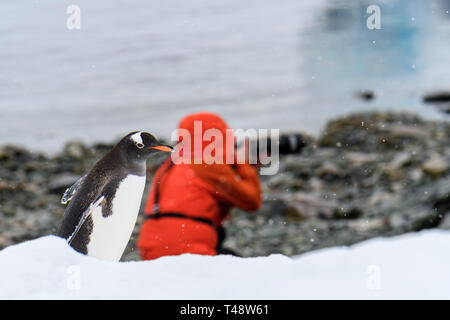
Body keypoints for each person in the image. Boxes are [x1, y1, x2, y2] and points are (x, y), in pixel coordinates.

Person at [137, 112, 262, 260]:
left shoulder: (171, 164)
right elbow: (252, 201)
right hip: (187, 251)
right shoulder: (205, 164)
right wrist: (243, 163)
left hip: (152, 249)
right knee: (246, 273)